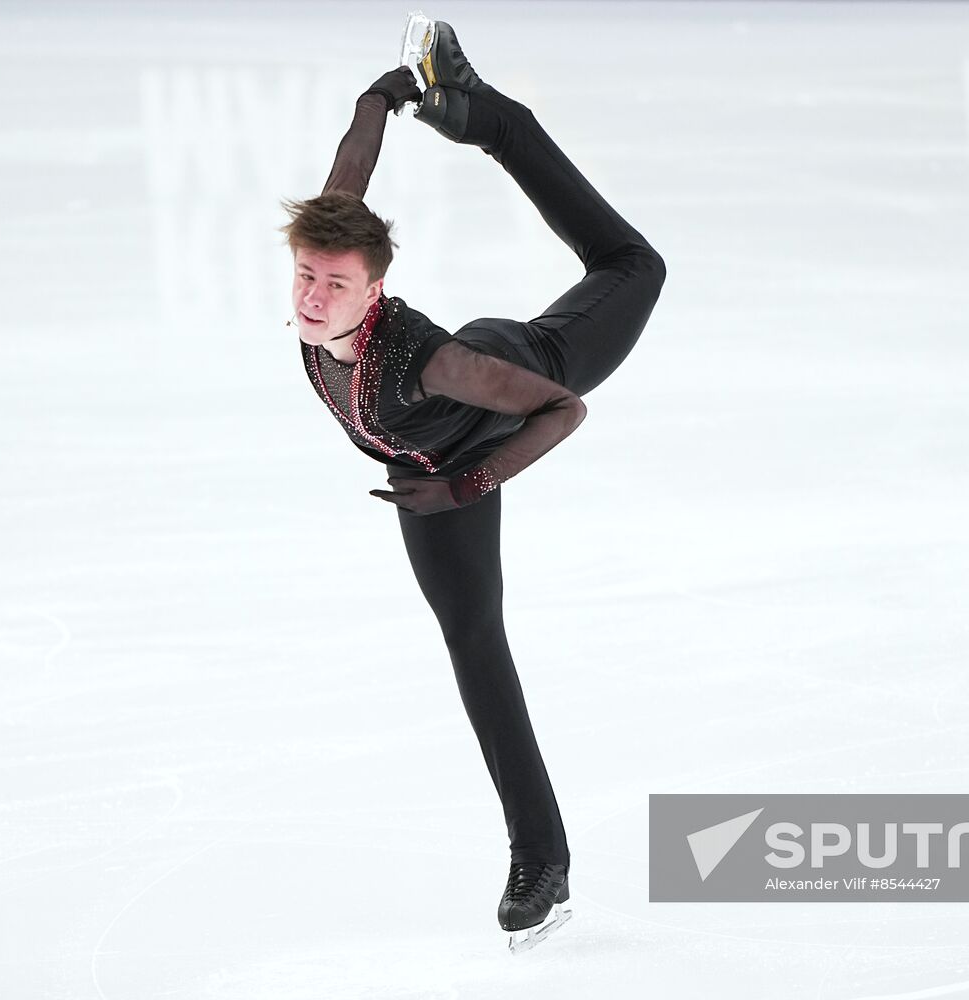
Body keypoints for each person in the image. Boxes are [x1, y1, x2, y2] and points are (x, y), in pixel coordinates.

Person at [281, 18, 664, 950]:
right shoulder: (327, 271)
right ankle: (543, 860)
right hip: (430, 465)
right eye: (304, 276)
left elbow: (562, 411)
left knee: (632, 266)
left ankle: (494, 119)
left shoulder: (435, 363)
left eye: (333, 282)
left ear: (373, 289)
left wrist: (467, 486)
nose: (312, 297)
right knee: (474, 642)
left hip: (521, 370)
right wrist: (382, 100)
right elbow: (348, 183)